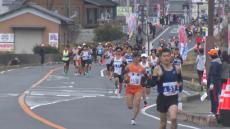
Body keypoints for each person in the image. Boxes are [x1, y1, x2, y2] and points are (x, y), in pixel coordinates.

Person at [151, 48, 183, 129]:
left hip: (173, 98)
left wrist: (180, 86)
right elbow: (152, 83)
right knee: (163, 123)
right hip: (162, 98)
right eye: (164, 56)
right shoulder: (157, 69)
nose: (166, 58)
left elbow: (180, 80)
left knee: (174, 118)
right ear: (161, 58)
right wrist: (159, 77)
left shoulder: (177, 68)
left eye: (168, 56)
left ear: (171, 57)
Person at [124, 51, 145, 125]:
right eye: (135, 57)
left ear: (139, 58)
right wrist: (126, 78)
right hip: (129, 88)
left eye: (138, 57)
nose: (136, 59)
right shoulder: (129, 66)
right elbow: (125, 73)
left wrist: (146, 81)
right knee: (130, 106)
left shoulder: (142, 68)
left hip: (138, 88)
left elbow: (146, 76)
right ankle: (133, 106)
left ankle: (133, 119)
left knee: (137, 102)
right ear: (133, 58)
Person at [207, 49, 222, 117]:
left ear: (212, 55)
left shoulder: (215, 63)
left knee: (214, 97)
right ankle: (213, 110)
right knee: (214, 97)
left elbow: (213, 74)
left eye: (210, 54)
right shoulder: (217, 62)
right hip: (216, 83)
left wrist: (212, 83)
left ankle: (215, 111)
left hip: (214, 83)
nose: (209, 55)